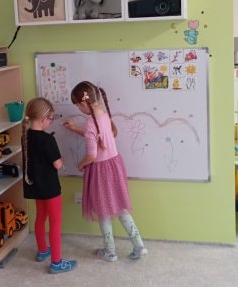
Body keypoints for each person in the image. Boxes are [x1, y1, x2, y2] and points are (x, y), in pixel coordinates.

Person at [63, 81, 148, 262]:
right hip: (114, 167)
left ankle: (110, 251)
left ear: (84, 103)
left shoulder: (90, 124)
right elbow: (95, 138)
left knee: (103, 212)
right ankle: (139, 245)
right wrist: (75, 129)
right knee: (121, 208)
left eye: (78, 105)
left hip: (100, 172)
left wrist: (80, 165)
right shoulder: (104, 116)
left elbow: (92, 154)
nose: (78, 108)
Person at [22, 97, 77, 274]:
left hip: (35, 187)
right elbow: (57, 165)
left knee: (40, 217)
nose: (51, 122)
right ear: (43, 118)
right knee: (55, 223)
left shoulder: (25, 136)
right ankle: (56, 262)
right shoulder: (47, 140)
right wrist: (61, 160)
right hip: (51, 188)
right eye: (51, 119)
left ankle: (42, 250)